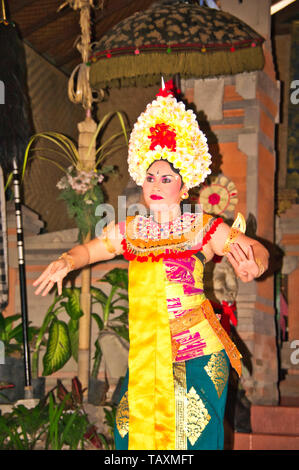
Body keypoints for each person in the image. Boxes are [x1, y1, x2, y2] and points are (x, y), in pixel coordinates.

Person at [34, 81, 269, 451]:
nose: (156, 184)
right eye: (150, 177)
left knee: (193, 440)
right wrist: (67, 261)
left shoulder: (200, 227)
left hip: (196, 354)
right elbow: (89, 251)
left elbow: (253, 248)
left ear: (184, 185)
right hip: (146, 357)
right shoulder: (129, 231)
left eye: (166, 178)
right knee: (132, 435)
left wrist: (254, 264)